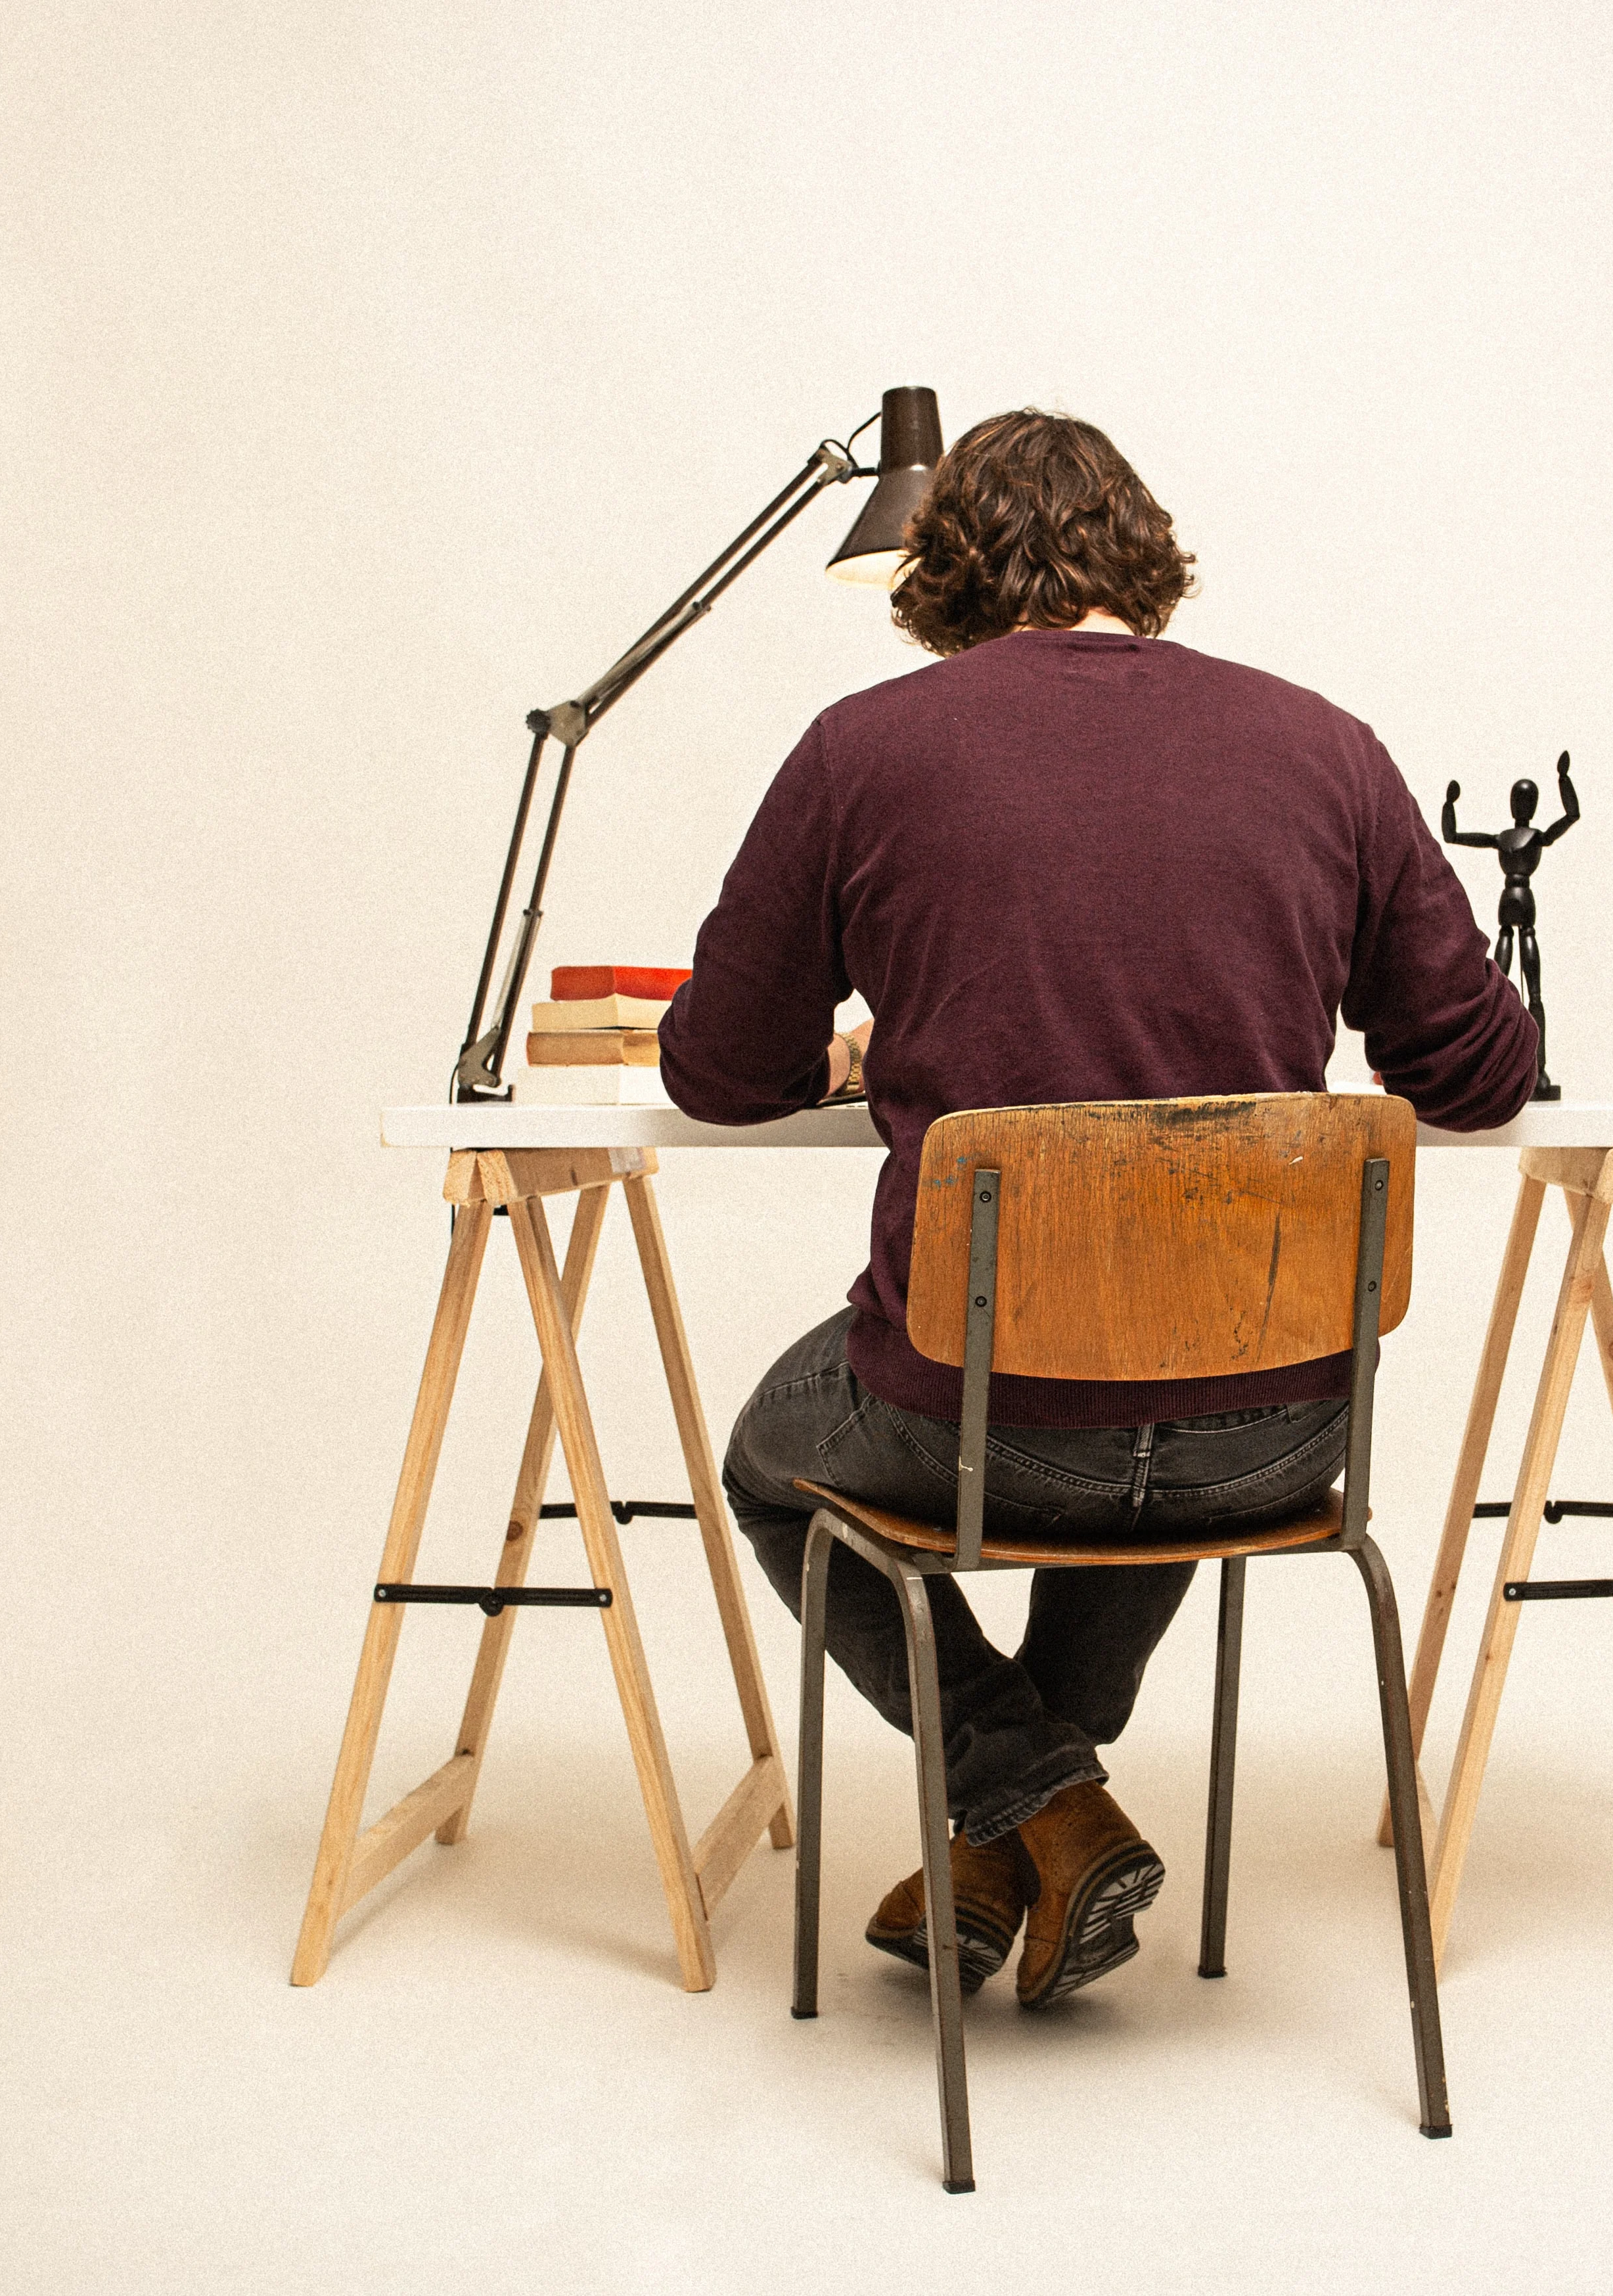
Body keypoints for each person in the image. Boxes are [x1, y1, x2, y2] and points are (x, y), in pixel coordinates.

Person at [659, 409, 1538, 2010]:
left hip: (985, 1423)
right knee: (1164, 1354)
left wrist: (857, 1044)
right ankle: (1029, 1830)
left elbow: (718, 1072)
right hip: (1276, 1428)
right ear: (1141, 553)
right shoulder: (1325, 745)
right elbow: (1473, 1077)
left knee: (773, 1464)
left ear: (939, 575)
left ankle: (1035, 1801)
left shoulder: (864, 751)